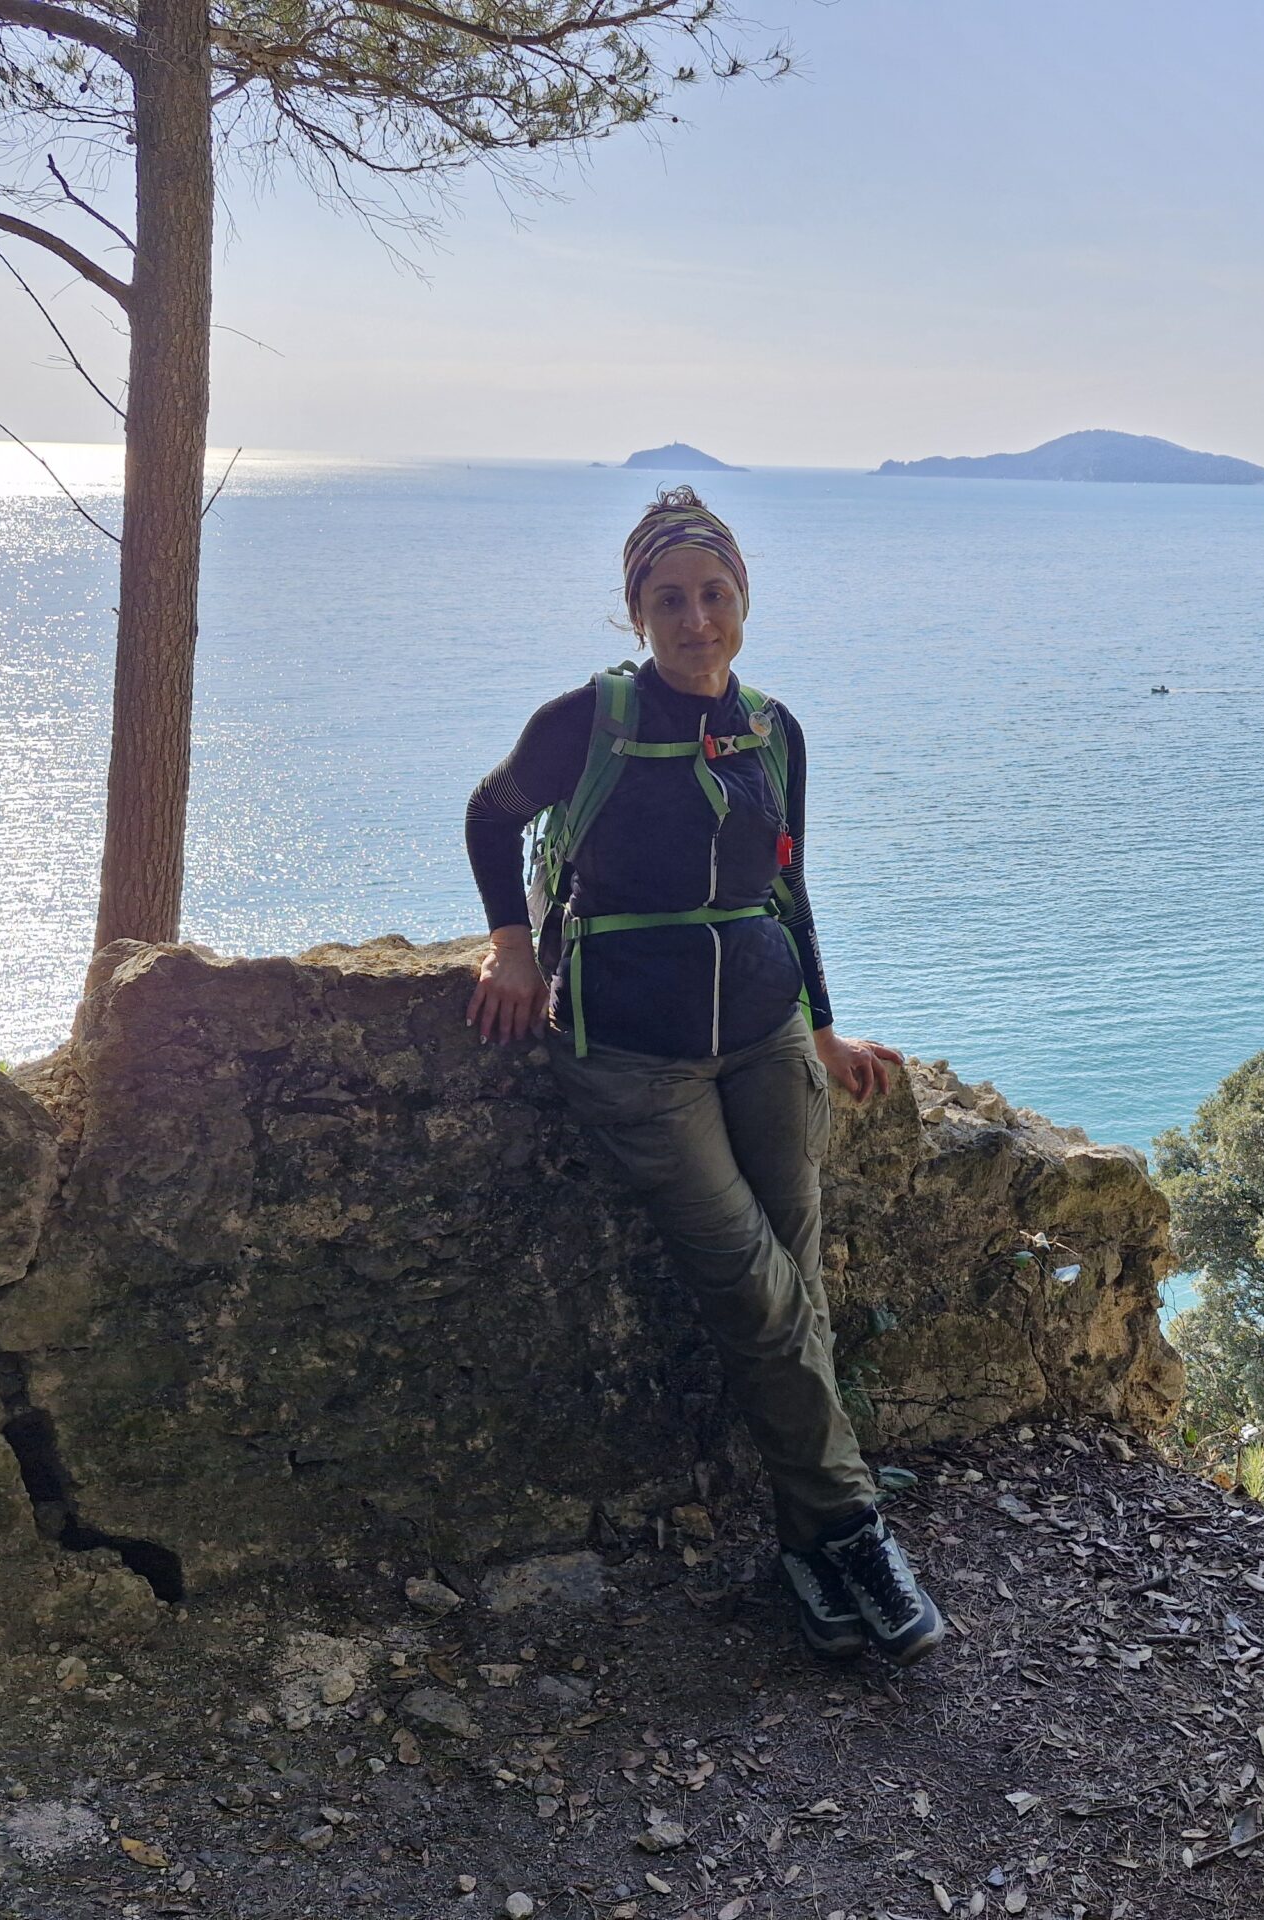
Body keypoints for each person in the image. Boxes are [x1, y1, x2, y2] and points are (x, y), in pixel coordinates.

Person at [462, 487, 946, 1665]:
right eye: (670, 598)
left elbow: (789, 883)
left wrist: (823, 1028)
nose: (696, 618)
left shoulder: (773, 729)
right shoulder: (586, 719)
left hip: (769, 1035)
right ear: (635, 610)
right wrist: (511, 944)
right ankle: (853, 1529)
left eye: (714, 594)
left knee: (797, 1285)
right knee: (754, 1286)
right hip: (631, 1055)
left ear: (742, 603)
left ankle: (802, 1542)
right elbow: (492, 815)